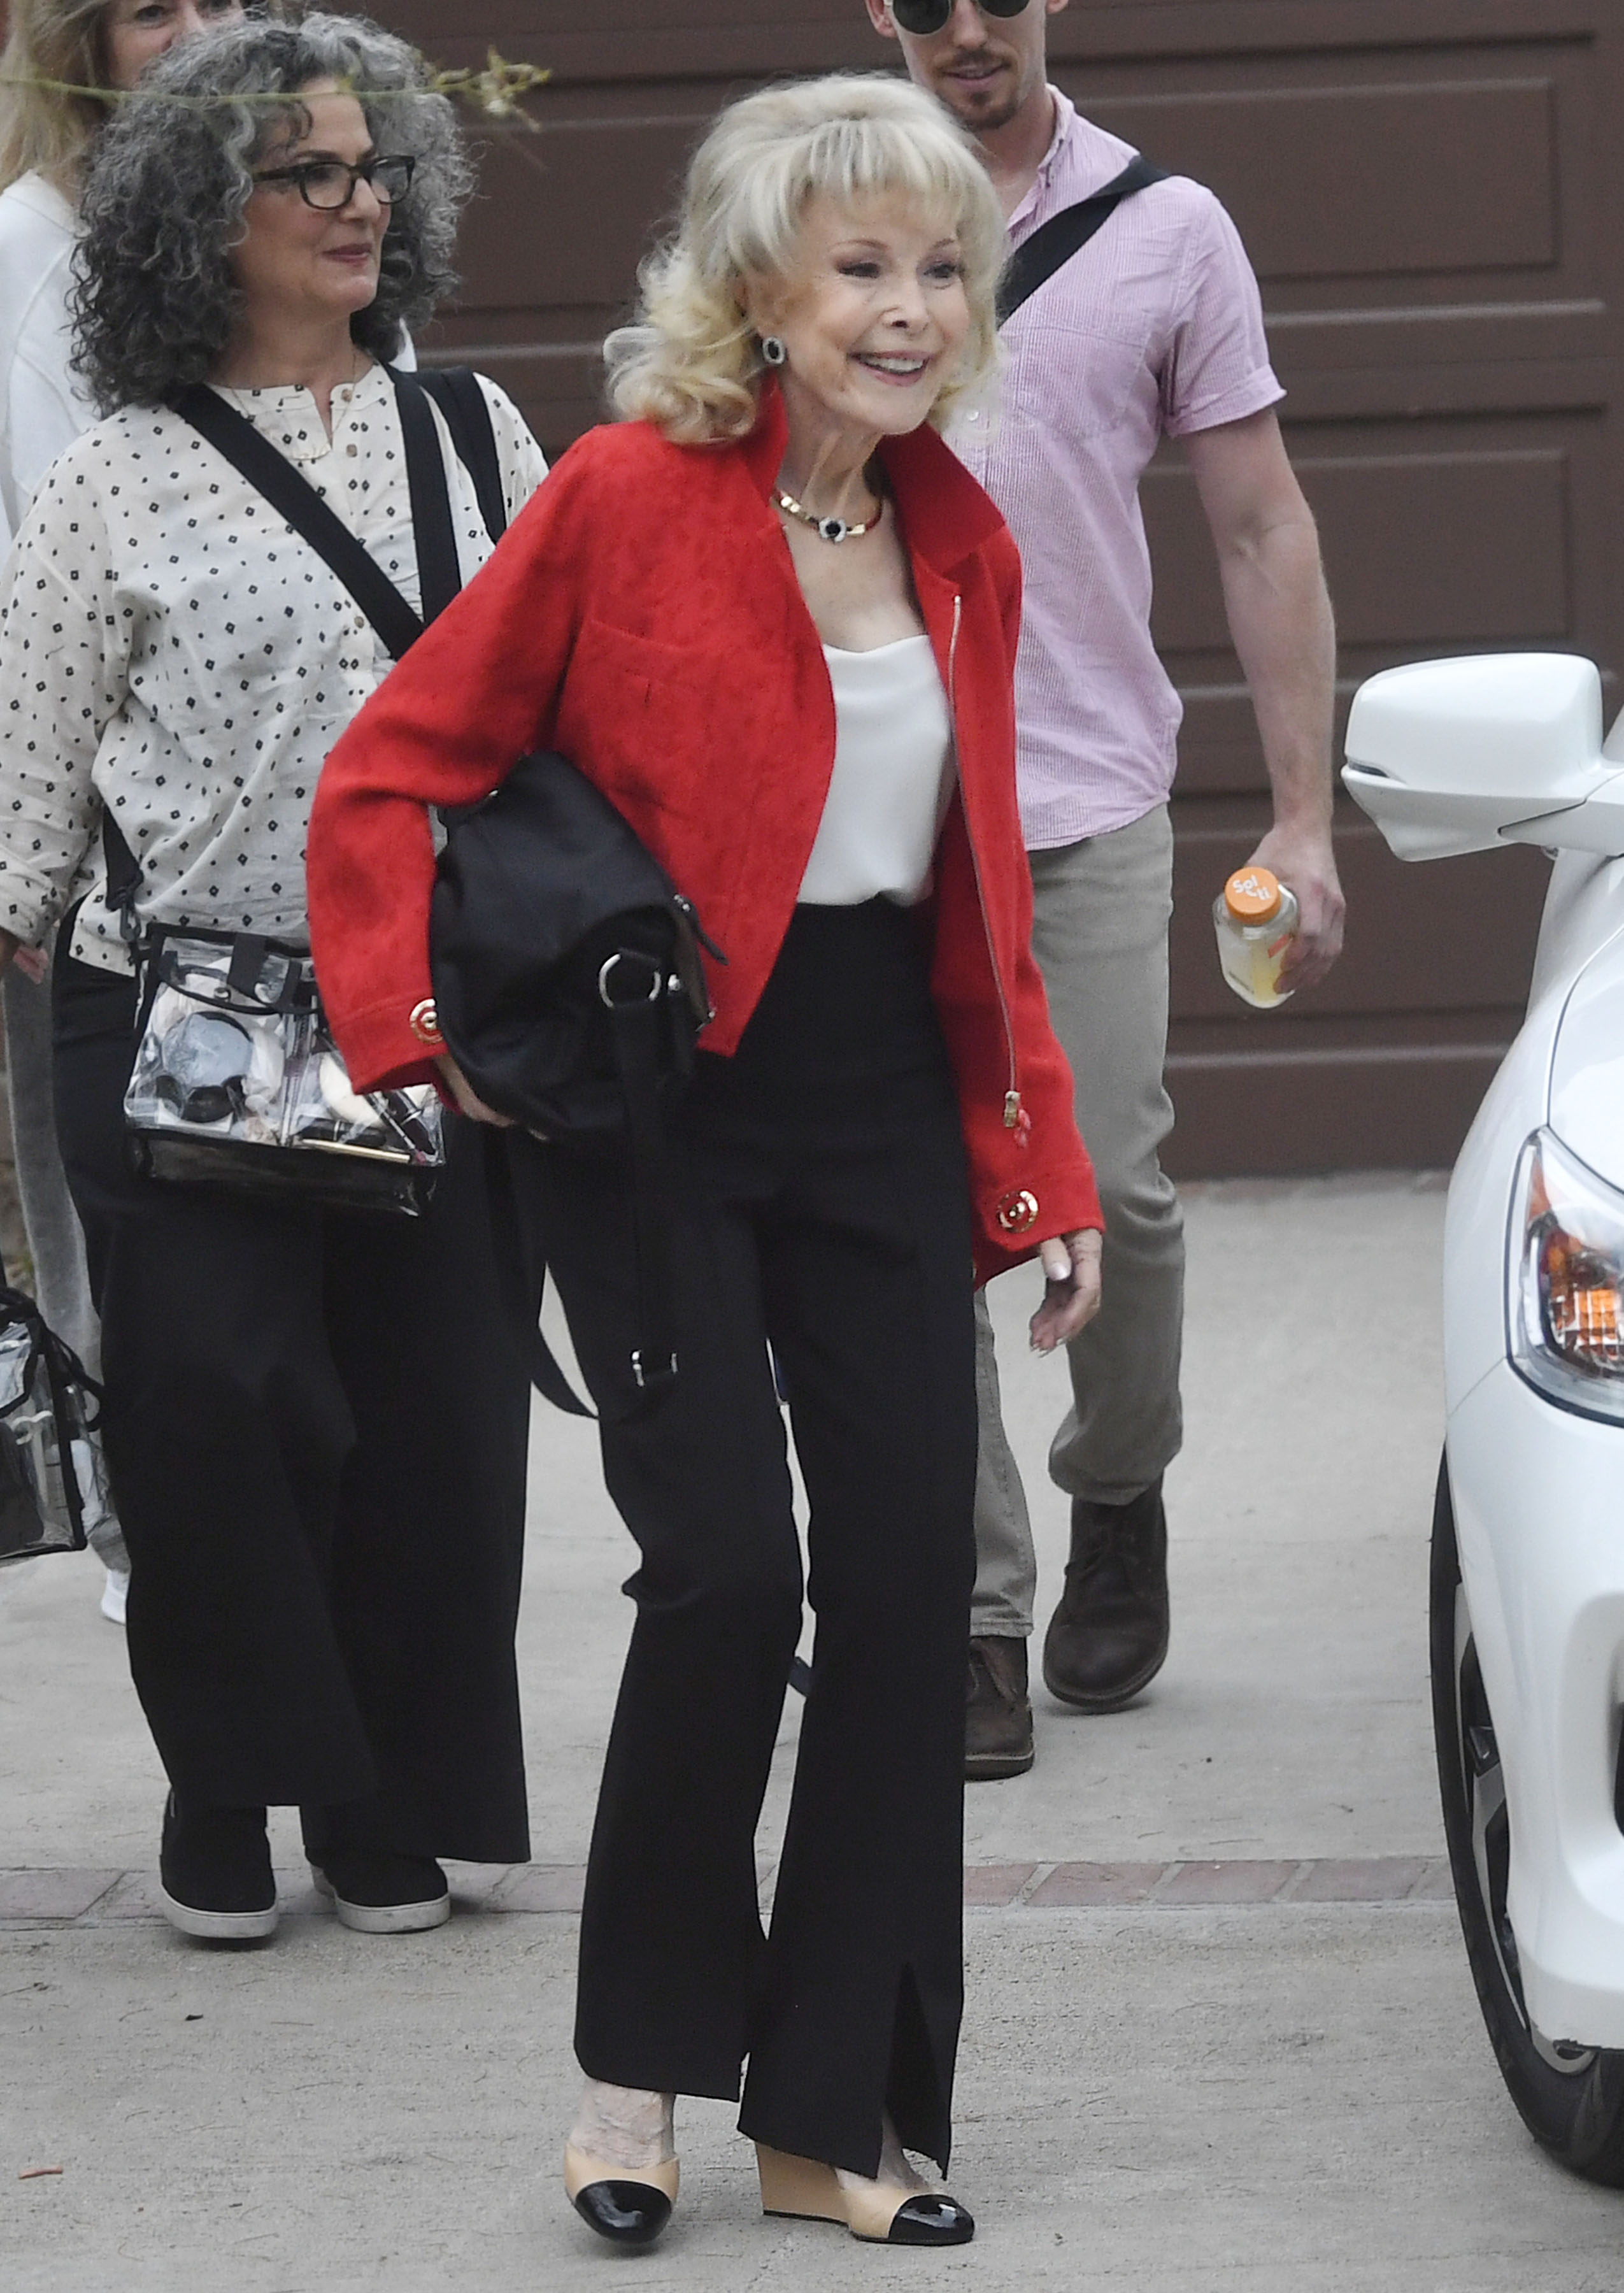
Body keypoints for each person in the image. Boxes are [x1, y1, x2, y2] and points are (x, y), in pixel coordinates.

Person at [307, 72, 1102, 2252]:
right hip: (656, 1107)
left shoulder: (959, 534)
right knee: (733, 1575)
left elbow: (985, 901)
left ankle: (830, 2110)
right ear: (760, 287)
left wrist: (1038, 1176)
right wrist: (412, 1031)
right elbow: (394, 770)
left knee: (906, 1584)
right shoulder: (622, 500)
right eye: (863, 266)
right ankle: (638, 2074)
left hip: (874, 1106)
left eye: (942, 264)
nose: (912, 306)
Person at [0, 12, 548, 1941]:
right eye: (301, 172)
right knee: (220, 1410)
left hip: (426, 1012)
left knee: (434, 1418)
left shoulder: (477, 435)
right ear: (193, 220)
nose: (354, 201)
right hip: (168, 1020)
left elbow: (557, 728)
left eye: (369, 164)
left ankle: (384, 1798)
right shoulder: (111, 486)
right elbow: (20, 822)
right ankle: (230, 1779)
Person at [867, 0, 1344, 1777]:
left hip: (1077, 796)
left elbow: (1257, 525)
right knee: (910, 1215)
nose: (965, 30)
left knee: (1111, 1192)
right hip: (869, 813)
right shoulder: (818, 210)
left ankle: (1114, 1485)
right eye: (927, 4)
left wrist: (1298, 821)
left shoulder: (1164, 231)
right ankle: (972, 1610)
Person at [0, 0, 253, 1625]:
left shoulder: (318, 208)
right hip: (78, 825)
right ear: (81, 42)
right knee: (102, 1201)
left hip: (292, 812)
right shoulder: (22, 250)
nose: (204, 33)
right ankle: (141, 1528)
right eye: (159, 5)